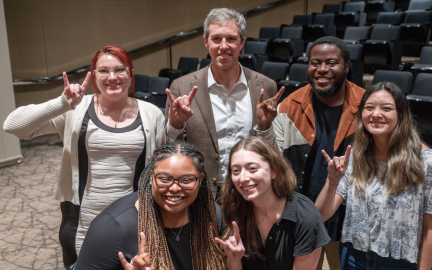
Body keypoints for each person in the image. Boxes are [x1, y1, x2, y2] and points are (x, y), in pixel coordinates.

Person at [3, 45, 166, 269]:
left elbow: (163, 163)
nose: (112, 77)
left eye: (119, 69)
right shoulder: (75, 109)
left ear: (130, 73)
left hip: (133, 219)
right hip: (82, 219)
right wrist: (61, 103)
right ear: (93, 75)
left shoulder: (151, 113)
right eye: (103, 71)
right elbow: (13, 126)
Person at [256, 36, 366, 270]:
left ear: (346, 66)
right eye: (315, 63)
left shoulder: (365, 104)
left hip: (349, 215)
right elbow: (271, 158)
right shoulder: (290, 104)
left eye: (331, 63)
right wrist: (264, 127)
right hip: (303, 215)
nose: (322, 69)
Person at [316, 82, 432, 269]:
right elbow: (322, 214)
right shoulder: (355, 156)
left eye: (386, 108)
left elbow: (431, 229)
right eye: (369, 108)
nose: (376, 114)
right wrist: (332, 182)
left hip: (398, 263)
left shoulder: (428, 162)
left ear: (401, 115)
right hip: (353, 256)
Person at [165, 7, 283, 197]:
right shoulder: (182, 86)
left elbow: (271, 152)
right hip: (201, 196)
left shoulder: (265, 87)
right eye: (216, 39)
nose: (224, 46)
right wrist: (175, 124)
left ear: (242, 42)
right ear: (206, 42)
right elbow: (168, 151)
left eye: (231, 39)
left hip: (250, 194)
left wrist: (264, 126)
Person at [75, 141, 225, 270]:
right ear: (151, 176)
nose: (174, 188)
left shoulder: (211, 216)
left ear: (200, 179)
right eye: (164, 178)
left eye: (186, 180)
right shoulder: (113, 226)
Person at [217, 137, 330, 269]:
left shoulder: (305, 216)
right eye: (236, 170)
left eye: (252, 168)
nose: (242, 178)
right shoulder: (234, 210)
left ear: (274, 171)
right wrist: (234, 260)